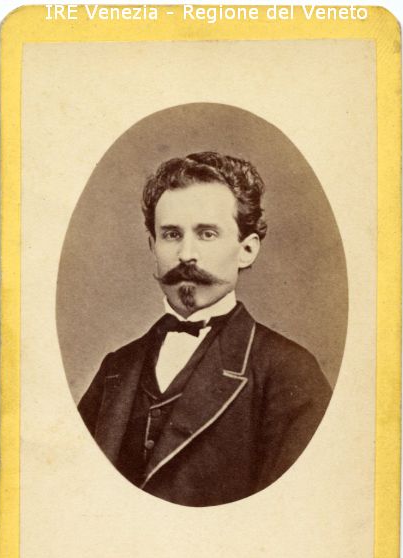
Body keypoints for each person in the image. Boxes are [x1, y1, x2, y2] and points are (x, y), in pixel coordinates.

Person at [78, 151, 331, 507]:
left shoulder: (289, 372)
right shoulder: (115, 369)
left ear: (246, 250)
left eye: (207, 234)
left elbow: (291, 511)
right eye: (171, 235)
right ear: (152, 247)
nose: (186, 254)